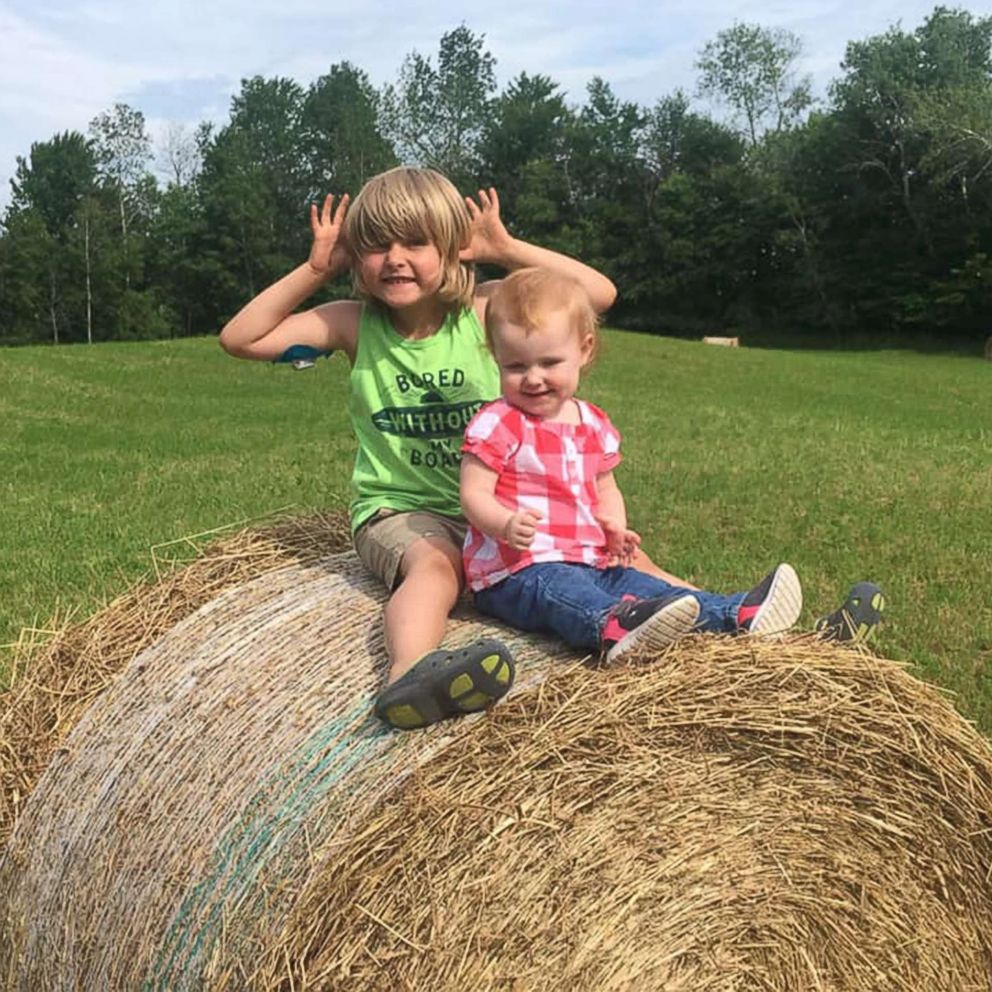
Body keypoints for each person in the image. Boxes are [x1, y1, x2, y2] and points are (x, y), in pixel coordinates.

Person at [219, 167, 619, 731]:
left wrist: (504, 249)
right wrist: (315, 270)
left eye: (415, 242)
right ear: (357, 258)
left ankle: (720, 624)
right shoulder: (352, 324)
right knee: (437, 568)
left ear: (452, 248)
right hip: (400, 511)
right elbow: (241, 339)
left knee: (614, 553)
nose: (395, 258)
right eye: (376, 245)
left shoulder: (486, 311)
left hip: (499, 512)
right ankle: (411, 675)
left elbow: (597, 294)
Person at [459, 267, 808, 661]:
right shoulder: (498, 422)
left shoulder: (592, 422)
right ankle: (611, 626)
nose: (534, 379)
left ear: (584, 350)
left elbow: (606, 488)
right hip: (518, 572)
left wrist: (614, 527)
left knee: (653, 591)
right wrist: (503, 523)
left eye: (549, 363)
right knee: (564, 593)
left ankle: (735, 614)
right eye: (516, 367)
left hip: (591, 559)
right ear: (497, 358)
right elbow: (473, 493)